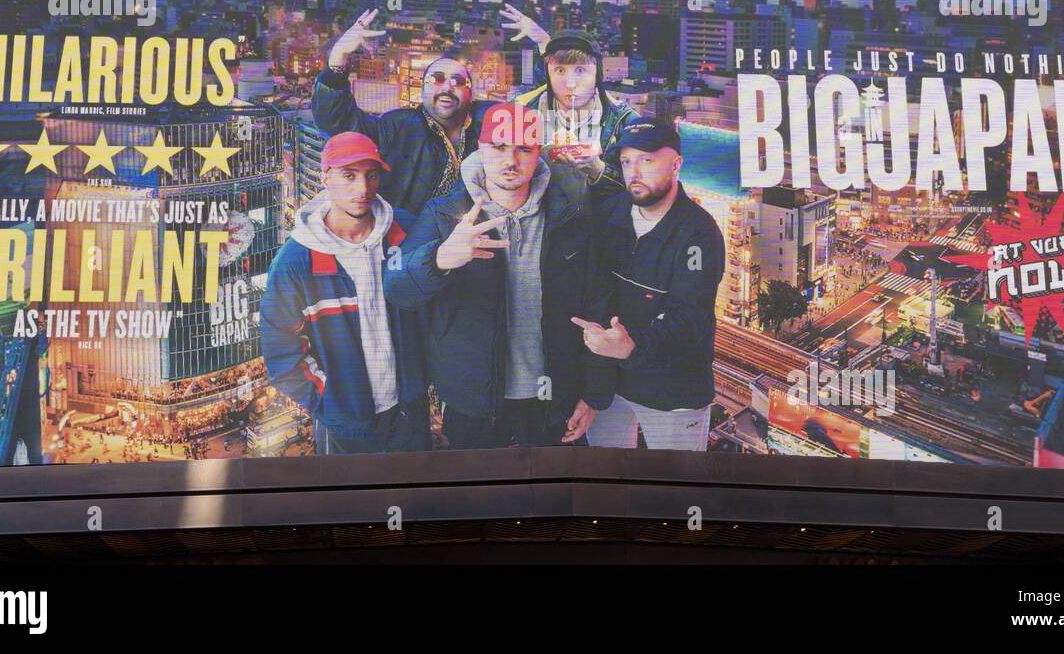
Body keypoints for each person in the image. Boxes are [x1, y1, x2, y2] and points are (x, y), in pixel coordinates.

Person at [384, 102, 612, 450]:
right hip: (473, 401)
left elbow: (597, 307)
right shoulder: (444, 213)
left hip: (555, 396)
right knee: (479, 498)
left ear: (538, 154)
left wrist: (594, 394)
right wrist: (440, 259)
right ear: (481, 148)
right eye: (500, 147)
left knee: (555, 497)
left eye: (524, 148)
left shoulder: (569, 216)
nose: (511, 161)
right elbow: (397, 289)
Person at [259, 131, 429, 454]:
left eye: (371, 175)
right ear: (325, 177)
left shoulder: (404, 232)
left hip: (409, 413)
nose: (362, 189)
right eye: (348, 176)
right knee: (352, 503)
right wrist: (328, 401)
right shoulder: (296, 262)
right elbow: (280, 353)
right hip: (348, 427)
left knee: (416, 498)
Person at [573, 120, 725, 451]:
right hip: (611, 384)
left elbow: (691, 318)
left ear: (676, 164)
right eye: (627, 161)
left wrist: (633, 346)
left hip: (674, 391)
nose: (634, 172)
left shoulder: (699, 233)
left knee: (675, 488)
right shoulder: (609, 212)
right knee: (608, 481)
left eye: (647, 159)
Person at [312, 7, 550, 215]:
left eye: (458, 82)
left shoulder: (490, 118)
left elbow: (540, 105)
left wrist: (545, 44)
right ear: (421, 90)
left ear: (471, 93)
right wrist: (338, 58)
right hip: (411, 238)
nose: (447, 87)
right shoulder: (399, 126)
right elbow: (338, 123)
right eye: (437, 79)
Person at [510, 24, 640, 202]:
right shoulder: (520, 113)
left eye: (580, 70)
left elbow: (643, 192)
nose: (570, 83)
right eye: (560, 70)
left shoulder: (626, 122)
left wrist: (598, 170)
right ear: (549, 75)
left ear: (597, 74)